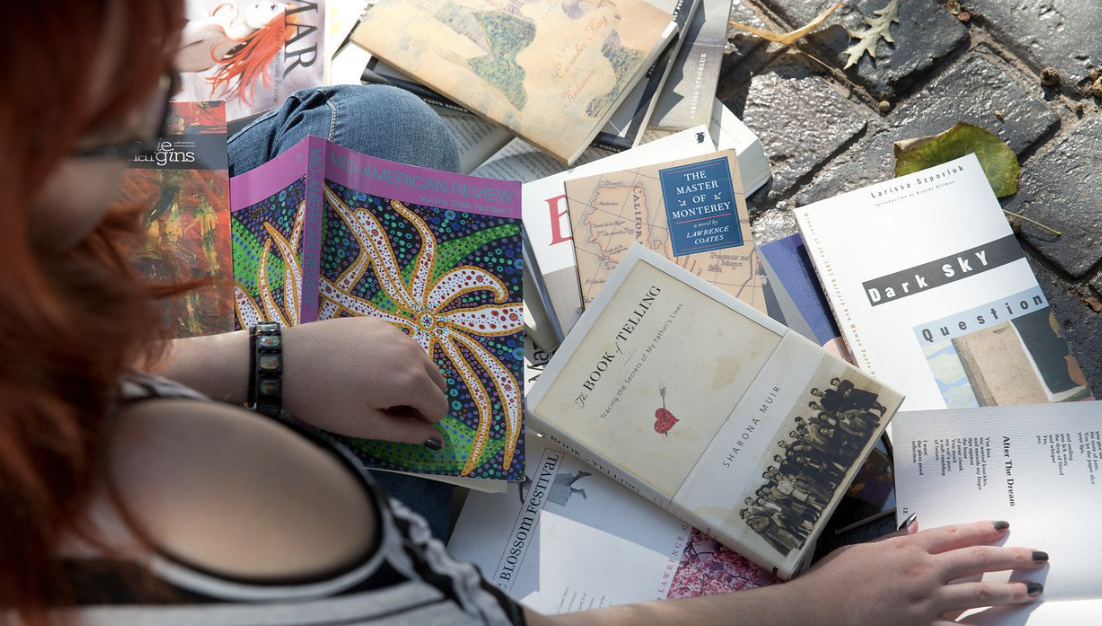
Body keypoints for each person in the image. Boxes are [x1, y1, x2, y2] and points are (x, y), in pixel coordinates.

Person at [1, 2, 1049, 625]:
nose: (167, 95)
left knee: (373, 123)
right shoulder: (225, 510)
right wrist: (810, 610)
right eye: (130, 108)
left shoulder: (79, 366)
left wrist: (259, 359)